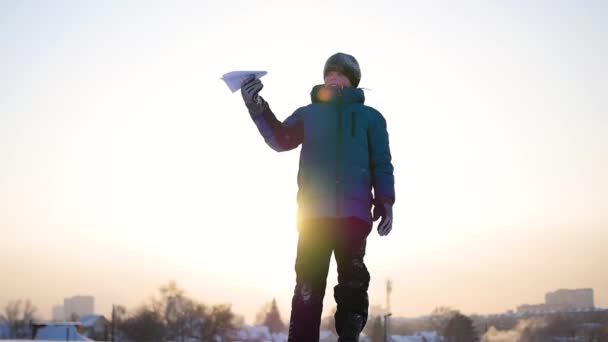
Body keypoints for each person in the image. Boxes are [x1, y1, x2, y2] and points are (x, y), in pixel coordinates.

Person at [240, 52, 395, 342]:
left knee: (353, 285)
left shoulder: (371, 118)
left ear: (352, 80)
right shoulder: (309, 114)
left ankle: (349, 336)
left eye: (340, 74)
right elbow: (280, 139)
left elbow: (382, 162)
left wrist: (385, 201)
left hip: (354, 215)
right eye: (329, 74)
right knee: (307, 290)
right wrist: (257, 106)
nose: (332, 78)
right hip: (313, 216)